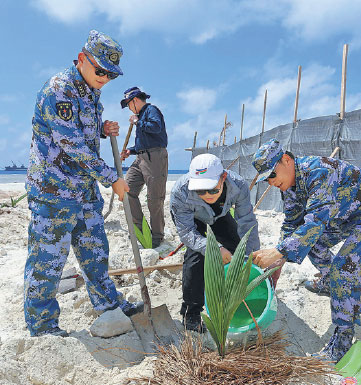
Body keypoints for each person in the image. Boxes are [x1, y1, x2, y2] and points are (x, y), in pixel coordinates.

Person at [24, 30, 143, 338]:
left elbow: (83, 131)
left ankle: (108, 304)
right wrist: (112, 178)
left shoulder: (90, 90)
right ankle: (42, 326)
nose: (104, 77)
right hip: (54, 192)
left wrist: (102, 129)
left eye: (110, 74)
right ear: (82, 59)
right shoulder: (59, 89)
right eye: (100, 70)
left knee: (95, 251)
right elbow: (70, 142)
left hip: (83, 190)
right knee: (47, 261)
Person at [251, 139, 361, 362]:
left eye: (272, 174)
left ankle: (342, 342)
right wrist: (278, 260)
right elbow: (292, 224)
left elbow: (315, 222)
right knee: (313, 244)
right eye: (266, 179)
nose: (271, 182)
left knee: (343, 270)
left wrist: (279, 251)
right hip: (344, 214)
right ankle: (330, 283)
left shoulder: (318, 172)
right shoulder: (288, 186)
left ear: (286, 160)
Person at [170, 154, 260, 332]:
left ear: (223, 177)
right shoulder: (180, 192)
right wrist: (214, 248)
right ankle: (191, 312)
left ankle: (236, 296)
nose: (206, 195)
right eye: (200, 191)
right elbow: (187, 233)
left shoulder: (238, 185)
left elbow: (247, 224)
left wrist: (253, 258)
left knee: (238, 249)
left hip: (219, 215)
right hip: (193, 221)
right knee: (196, 258)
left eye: (212, 189)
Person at [120, 87, 168, 249]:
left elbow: (156, 128)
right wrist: (130, 150)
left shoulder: (151, 110)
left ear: (134, 101)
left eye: (128, 104)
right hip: (140, 157)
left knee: (154, 199)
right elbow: (145, 141)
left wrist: (137, 122)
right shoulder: (140, 116)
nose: (128, 108)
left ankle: (157, 237)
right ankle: (140, 229)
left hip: (155, 157)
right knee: (127, 190)